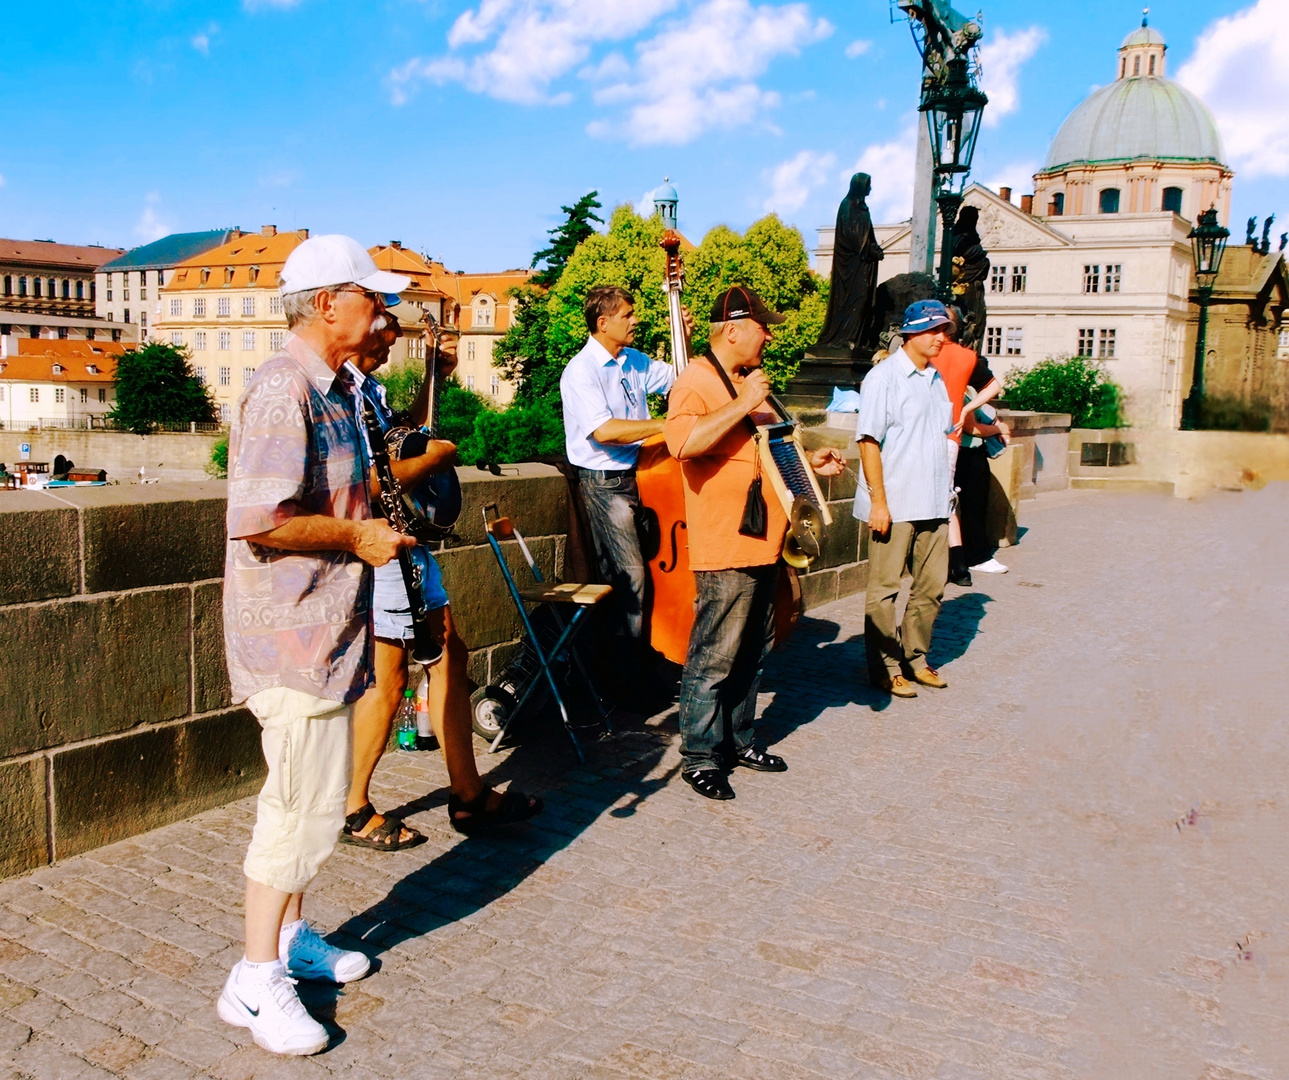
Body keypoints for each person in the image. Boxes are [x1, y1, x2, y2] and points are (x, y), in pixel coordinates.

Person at [218, 234, 416, 1056]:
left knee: (314, 807)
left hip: (329, 631)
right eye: (371, 298)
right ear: (328, 301)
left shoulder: (339, 388)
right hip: (290, 635)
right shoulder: (281, 389)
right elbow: (258, 523)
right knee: (295, 810)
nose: (384, 311)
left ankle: (293, 937)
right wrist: (359, 537)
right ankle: (255, 979)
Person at [345, 311, 542, 848]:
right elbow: (366, 479)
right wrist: (433, 462)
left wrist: (438, 374)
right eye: (385, 328)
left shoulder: (370, 390)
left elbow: (401, 439)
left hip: (409, 541)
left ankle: (468, 794)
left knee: (452, 655)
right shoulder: (339, 392)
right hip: (381, 543)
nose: (392, 339)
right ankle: (354, 806)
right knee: (389, 680)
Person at [663, 286, 843, 800]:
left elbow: (770, 450)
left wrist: (814, 466)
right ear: (734, 329)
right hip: (726, 542)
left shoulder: (748, 381)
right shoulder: (697, 381)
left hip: (767, 539)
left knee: (751, 652)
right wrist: (742, 402)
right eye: (763, 327)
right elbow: (682, 443)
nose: (769, 335)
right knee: (715, 653)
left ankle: (738, 740)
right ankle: (700, 755)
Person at [560, 285, 676, 698]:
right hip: (606, 484)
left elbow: (680, 378)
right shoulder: (581, 370)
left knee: (651, 578)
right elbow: (604, 431)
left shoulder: (634, 360)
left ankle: (653, 661)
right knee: (630, 579)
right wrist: (664, 425)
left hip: (643, 475)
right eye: (627, 314)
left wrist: (685, 336)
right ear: (603, 321)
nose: (635, 320)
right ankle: (626, 683)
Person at [854, 299, 954, 700]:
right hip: (894, 504)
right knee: (885, 589)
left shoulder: (936, 379)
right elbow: (868, 441)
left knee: (932, 587)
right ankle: (885, 666)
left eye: (944, 330)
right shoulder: (884, 378)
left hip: (933, 501)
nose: (942, 338)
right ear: (912, 333)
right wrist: (879, 501)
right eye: (934, 330)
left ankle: (915, 657)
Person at [929, 305, 1004, 585]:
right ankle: (959, 566)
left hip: (922, 433)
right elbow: (994, 385)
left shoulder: (925, 352)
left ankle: (941, 563)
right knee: (947, 501)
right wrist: (965, 408)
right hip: (952, 436)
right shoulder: (966, 356)